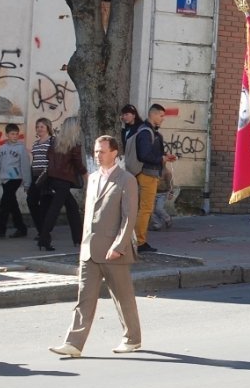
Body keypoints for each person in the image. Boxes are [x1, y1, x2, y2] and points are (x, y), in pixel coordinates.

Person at [48, 135, 141, 357]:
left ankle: (132, 339)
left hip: (113, 251)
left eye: (102, 151)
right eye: (96, 151)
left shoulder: (126, 179)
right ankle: (74, 344)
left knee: (123, 298)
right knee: (84, 299)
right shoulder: (92, 179)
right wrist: (83, 245)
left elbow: (129, 217)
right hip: (89, 250)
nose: (97, 155)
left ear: (114, 153)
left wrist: (119, 245)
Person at [38, 116, 87, 251]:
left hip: (53, 179)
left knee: (72, 207)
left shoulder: (55, 141)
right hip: (64, 180)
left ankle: (78, 238)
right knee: (54, 210)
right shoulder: (74, 143)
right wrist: (86, 175)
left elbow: (48, 157)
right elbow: (78, 163)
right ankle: (44, 239)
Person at [134, 104, 177, 252]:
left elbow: (150, 153)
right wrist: (162, 159)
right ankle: (139, 242)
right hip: (147, 174)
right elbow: (144, 155)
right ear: (153, 115)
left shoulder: (151, 132)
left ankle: (139, 240)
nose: (163, 119)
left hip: (150, 173)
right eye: (161, 116)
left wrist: (164, 157)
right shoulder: (146, 132)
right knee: (145, 209)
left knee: (145, 209)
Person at [0, 123, 31, 239]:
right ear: (7, 134)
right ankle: (21, 228)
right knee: (12, 204)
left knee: (4, 204)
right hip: (5, 180)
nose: (15, 136)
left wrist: (27, 183)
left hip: (15, 179)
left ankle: (0, 230)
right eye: (12, 134)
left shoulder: (21, 149)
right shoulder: (2, 149)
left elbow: (25, 166)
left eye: (16, 134)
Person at [27, 118, 54, 240]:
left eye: (42, 126)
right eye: (37, 127)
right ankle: (41, 229)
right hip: (35, 177)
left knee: (44, 205)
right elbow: (35, 160)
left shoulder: (52, 141)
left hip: (47, 177)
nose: (39, 129)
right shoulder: (35, 143)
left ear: (48, 127)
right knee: (31, 201)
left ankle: (44, 233)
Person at [150, 161, 174, 231]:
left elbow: (170, 184)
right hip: (153, 193)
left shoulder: (167, 172)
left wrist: (171, 193)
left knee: (159, 209)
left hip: (162, 194)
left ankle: (167, 218)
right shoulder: (153, 171)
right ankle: (157, 224)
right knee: (150, 210)